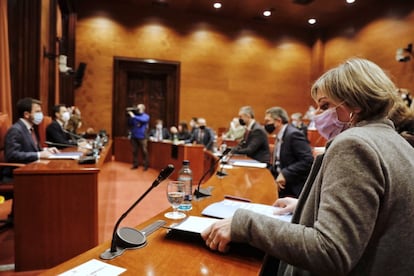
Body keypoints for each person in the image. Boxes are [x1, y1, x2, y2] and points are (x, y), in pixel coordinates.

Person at [201, 58, 414, 275]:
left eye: (325, 106)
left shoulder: (355, 144)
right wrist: (307, 205)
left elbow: (331, 251)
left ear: (355, 103)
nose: (318, 115)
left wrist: (245, 224)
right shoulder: (398, 143)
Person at [264, 107, 313, 198]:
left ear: (278, 121)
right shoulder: (280, 134)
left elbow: (308, 160)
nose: (265, 124)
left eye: (268, 121)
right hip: (280, 181)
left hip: (293, 187)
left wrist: (285, 173)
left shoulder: (293, 134)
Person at [5, 97, 59, 164]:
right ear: (26, 114)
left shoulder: (30, 128)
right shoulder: (15, 130)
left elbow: (32, 149)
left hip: (33, 166)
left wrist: (46, 150)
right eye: (37, 112)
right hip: (19, 171)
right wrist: (39, 155)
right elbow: (12, 155)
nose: (41, 114)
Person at [128, 104, 149, 170]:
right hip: (134, 136)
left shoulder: (146, 116)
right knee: (134, 151)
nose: (137, 109)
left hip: (142, 136)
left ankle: (145, 165)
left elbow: (143, 120)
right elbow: (130, 123)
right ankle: (135, 164)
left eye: (138, 108)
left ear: (142, 109)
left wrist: (133, 116)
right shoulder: (135, 116)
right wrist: (130, 116)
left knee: (144, 151)